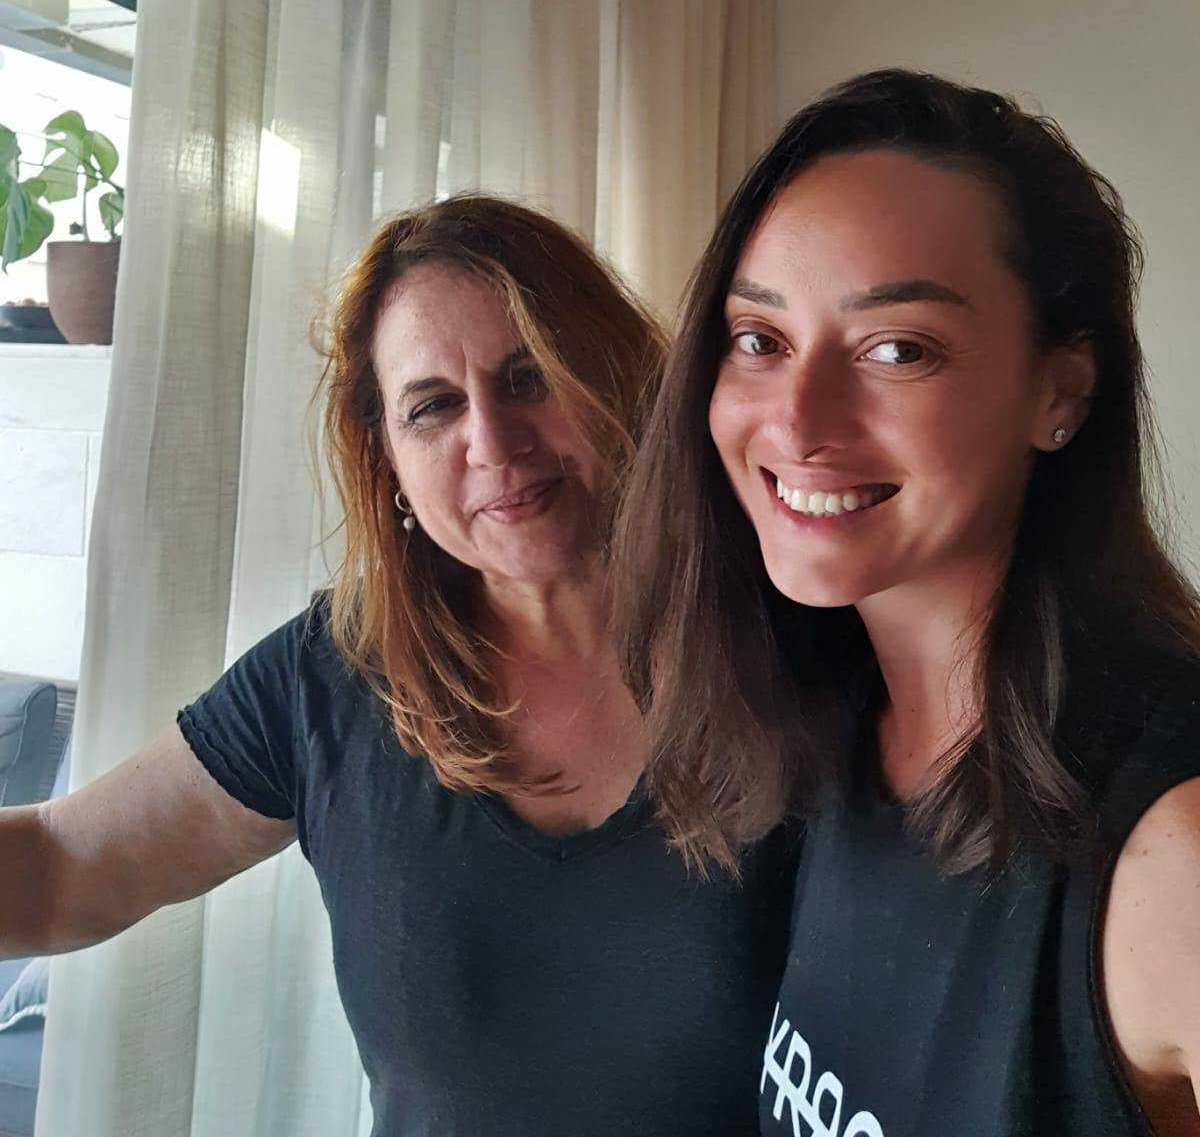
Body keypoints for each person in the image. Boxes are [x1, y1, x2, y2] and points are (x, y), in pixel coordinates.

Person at [1, 195, 794, 1136]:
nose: (494, 442)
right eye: (433, 407)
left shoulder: (794, 640)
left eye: (530, 376)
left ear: (619, 372)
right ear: (389, 462)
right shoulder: (331, 677)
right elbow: (58, 866)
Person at [615, 71, 1200, 1136]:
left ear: (1061, 390)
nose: (798, 422)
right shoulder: (834, 730)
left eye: (898, 349)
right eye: (760, 339)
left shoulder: (1175, 847)